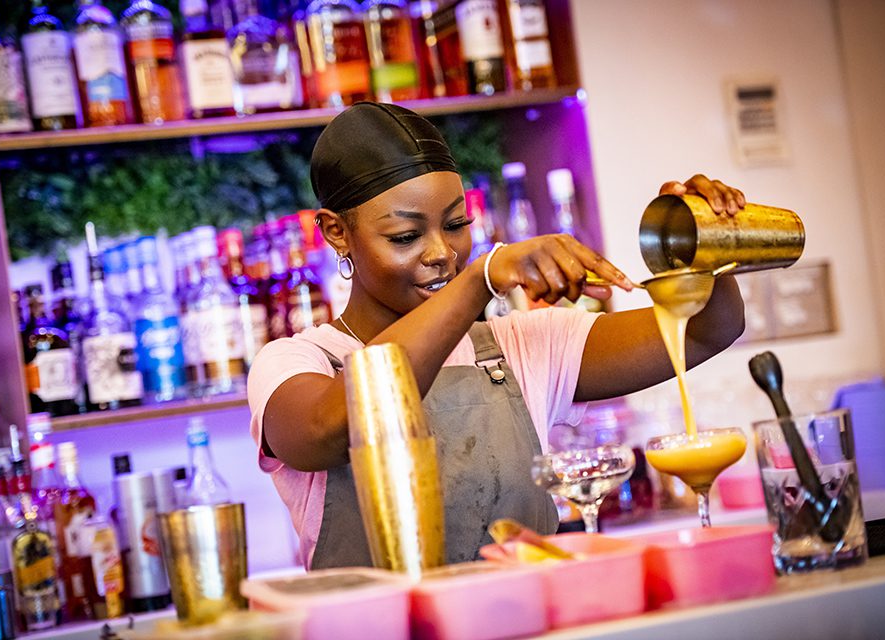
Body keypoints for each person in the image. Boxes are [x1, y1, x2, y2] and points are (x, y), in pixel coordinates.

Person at [247, 102, 747, 569]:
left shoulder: (522, 346)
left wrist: (706, 240)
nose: (441, 252)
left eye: (457, 224)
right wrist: (476, 281)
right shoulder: (298, 362)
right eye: (405, 236)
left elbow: (706, 330)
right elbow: (323, 433)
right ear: (336, 232)